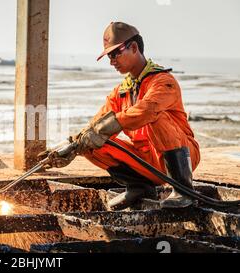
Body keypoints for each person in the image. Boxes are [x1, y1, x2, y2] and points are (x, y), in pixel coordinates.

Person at [39, 22, 200, 210]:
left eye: (115, 54)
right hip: (146, 163)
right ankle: (140, 187)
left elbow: (146, 110)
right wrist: (71, 146)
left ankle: (183, 191)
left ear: (133, 47)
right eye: (109, 56)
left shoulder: (163, 82)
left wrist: (111, 125)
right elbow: (96, 126)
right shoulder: (121, 92)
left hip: (182, 156)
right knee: (90, 143)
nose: (111, 61)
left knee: (154, 115)